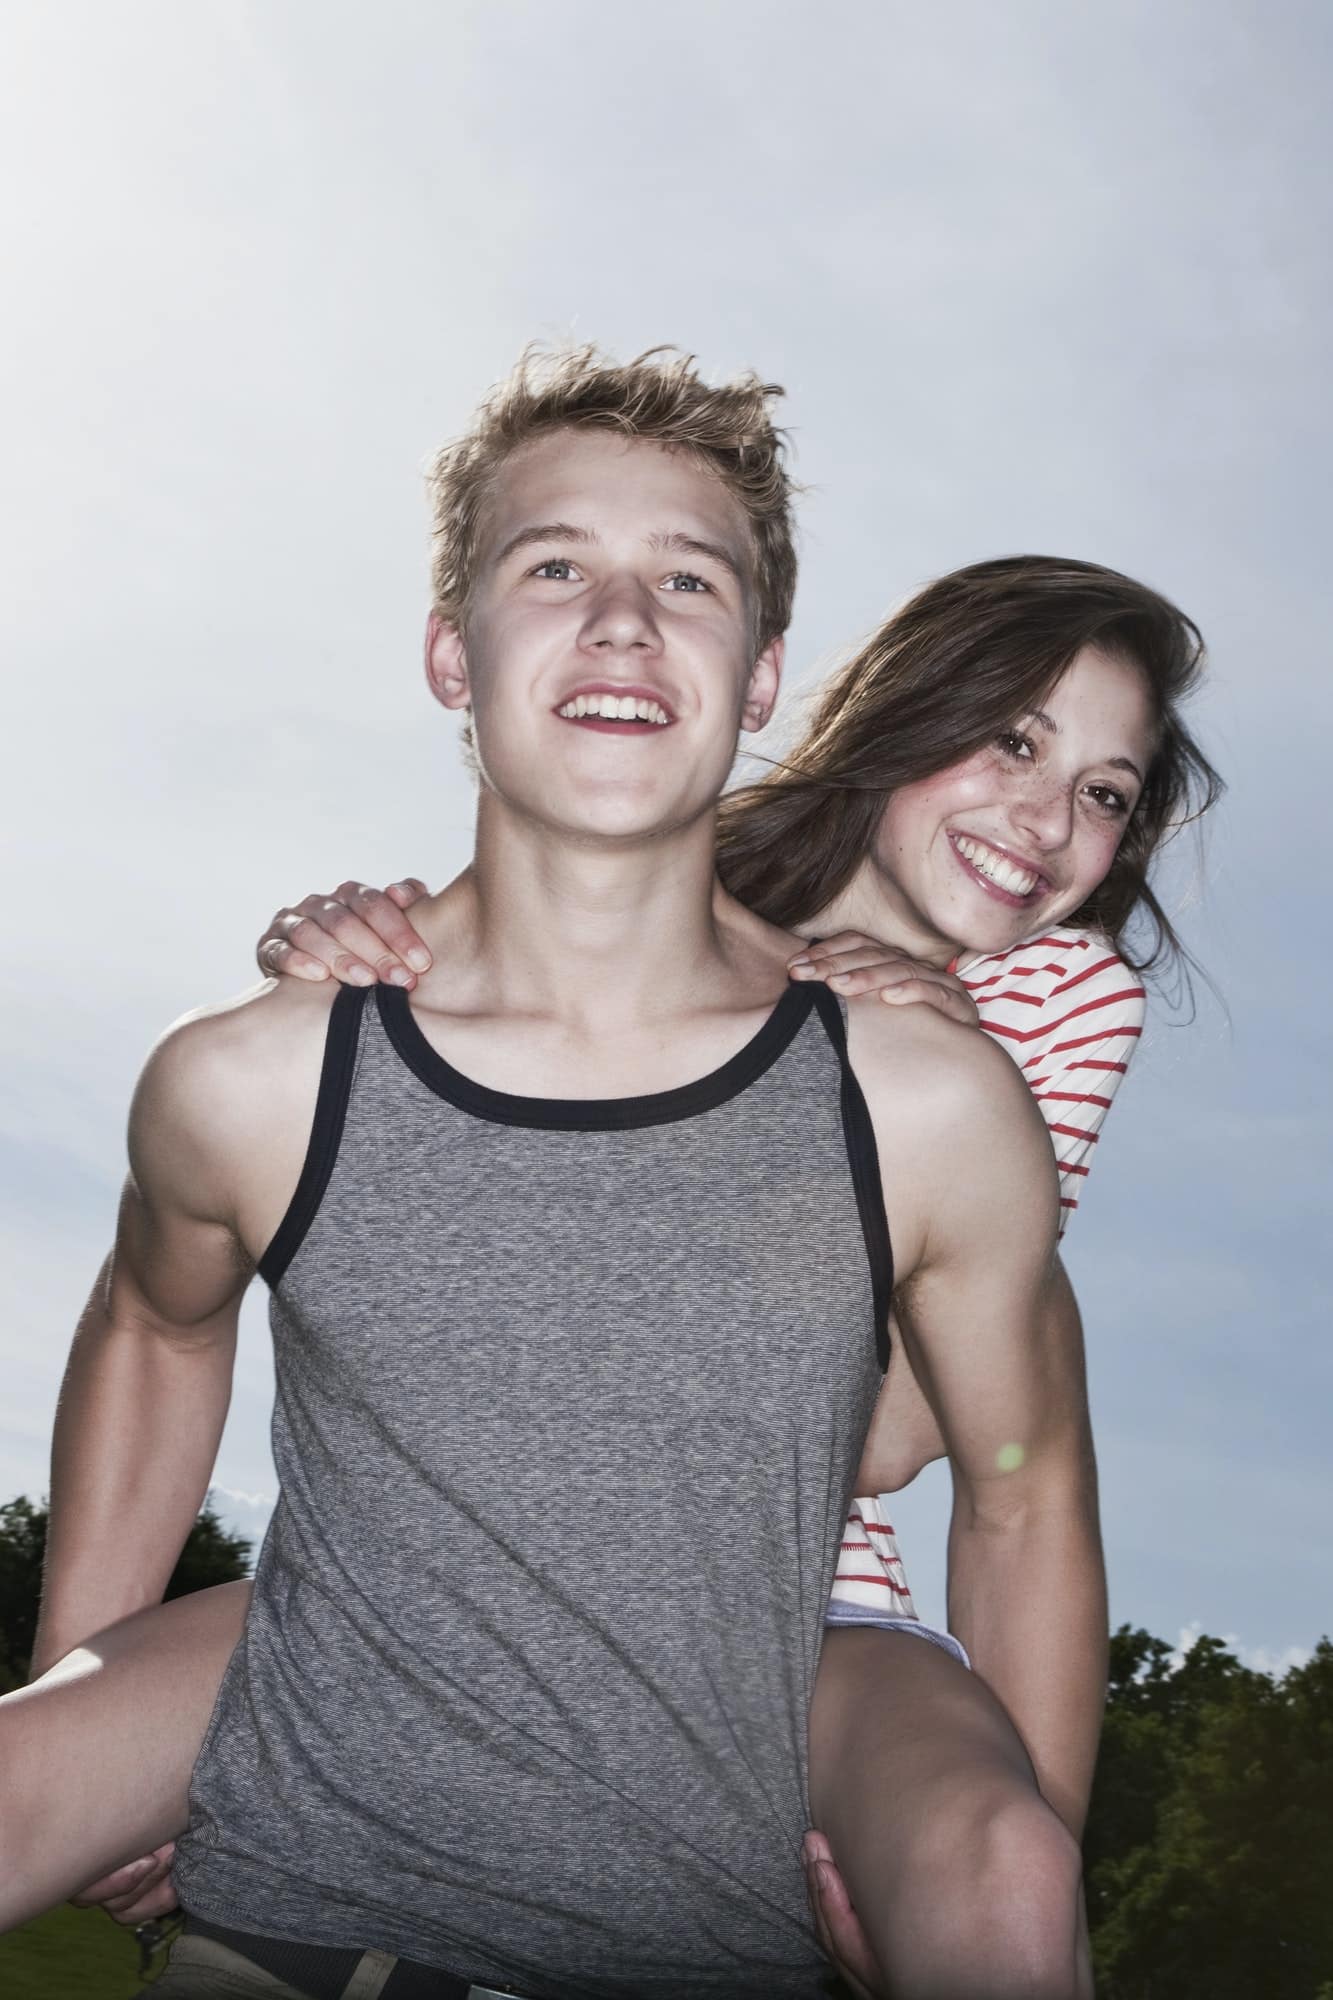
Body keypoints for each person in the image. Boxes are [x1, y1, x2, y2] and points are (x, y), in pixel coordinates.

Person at [0, 347, 1192, 1998]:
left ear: (757, 666)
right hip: (396, 1584)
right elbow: (171, 1311)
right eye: (557, 568)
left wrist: (1017, 1841)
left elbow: (963, 1455)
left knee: (998, 1875)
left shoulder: (991, 1048)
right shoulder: (602, 892)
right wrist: (96, 1655)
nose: (1042, 818)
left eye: (1104, 796)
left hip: (803, 1603)